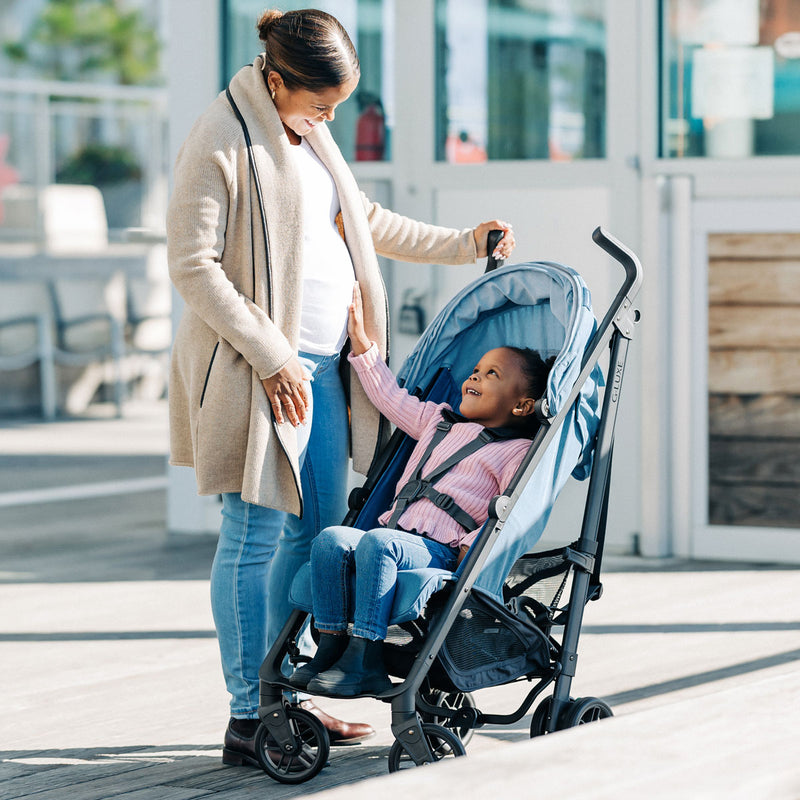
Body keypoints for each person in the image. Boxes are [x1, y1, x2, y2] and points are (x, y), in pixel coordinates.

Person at [166, 7, 516, 767]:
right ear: (275, 78)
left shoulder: (310, 132)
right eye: (320, 104)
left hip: (323, 371)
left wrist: (463, 245)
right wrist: (270, 354)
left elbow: (362, 219)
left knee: (320, 533)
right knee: (255, 536)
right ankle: (248, 711)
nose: (330, 118)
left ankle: (291, 691)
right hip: (260, 373)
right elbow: (193, 265)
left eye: (336, 106)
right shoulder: (223, 136)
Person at [288, 283, 552, 697]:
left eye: (492, 375)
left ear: (521, 405)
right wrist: (362, 346)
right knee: (331, 540)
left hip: (440, 550)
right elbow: (387, 396)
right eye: (476, 370)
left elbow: (511, 511)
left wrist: (473, 544)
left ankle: (367, 657)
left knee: (378, 543)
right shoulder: (436, 421)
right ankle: (331, 647)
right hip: (391, 536)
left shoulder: (517, 451)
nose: (475, 377)